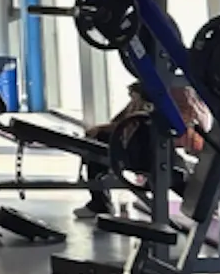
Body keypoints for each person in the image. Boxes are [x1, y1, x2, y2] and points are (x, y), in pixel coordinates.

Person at [75, 79, 211, 220]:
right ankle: (99, 202)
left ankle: (99, 203)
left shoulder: (174, 95)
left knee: (171, 172)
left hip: (148, 150)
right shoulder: (158, 92)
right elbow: (122, 121)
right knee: (97, 145)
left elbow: (130, 123)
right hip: (147, 145)